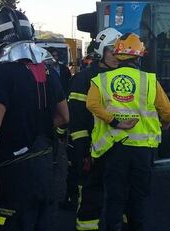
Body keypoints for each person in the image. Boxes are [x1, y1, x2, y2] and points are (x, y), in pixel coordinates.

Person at [0, 6, 69, 230]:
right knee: (40, 221)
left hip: (14, 169)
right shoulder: (48, 73)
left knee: (8, 221)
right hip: (44, 164)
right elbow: (64, 117)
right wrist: (37, 123)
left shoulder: (1, 74)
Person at [86, 32, 170, 231]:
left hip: (113, 148)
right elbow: (167, 111)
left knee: (115, 196)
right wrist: (165, 124)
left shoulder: (101, 79)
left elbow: (91, 104)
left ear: (117, 54)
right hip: (142, 151)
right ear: (139, 56)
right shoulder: (150, 80)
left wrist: (115, 122)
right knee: (138, 196)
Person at [60, 28, 122, 231]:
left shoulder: (127, 78)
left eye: (120, 51)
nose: (117, 56)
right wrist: (83, 152)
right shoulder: (83, 79)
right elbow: (76, 121)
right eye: (113, 51)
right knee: (89, 198)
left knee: (122, 199)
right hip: (93, 151)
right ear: (102, 52)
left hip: (121, 150)